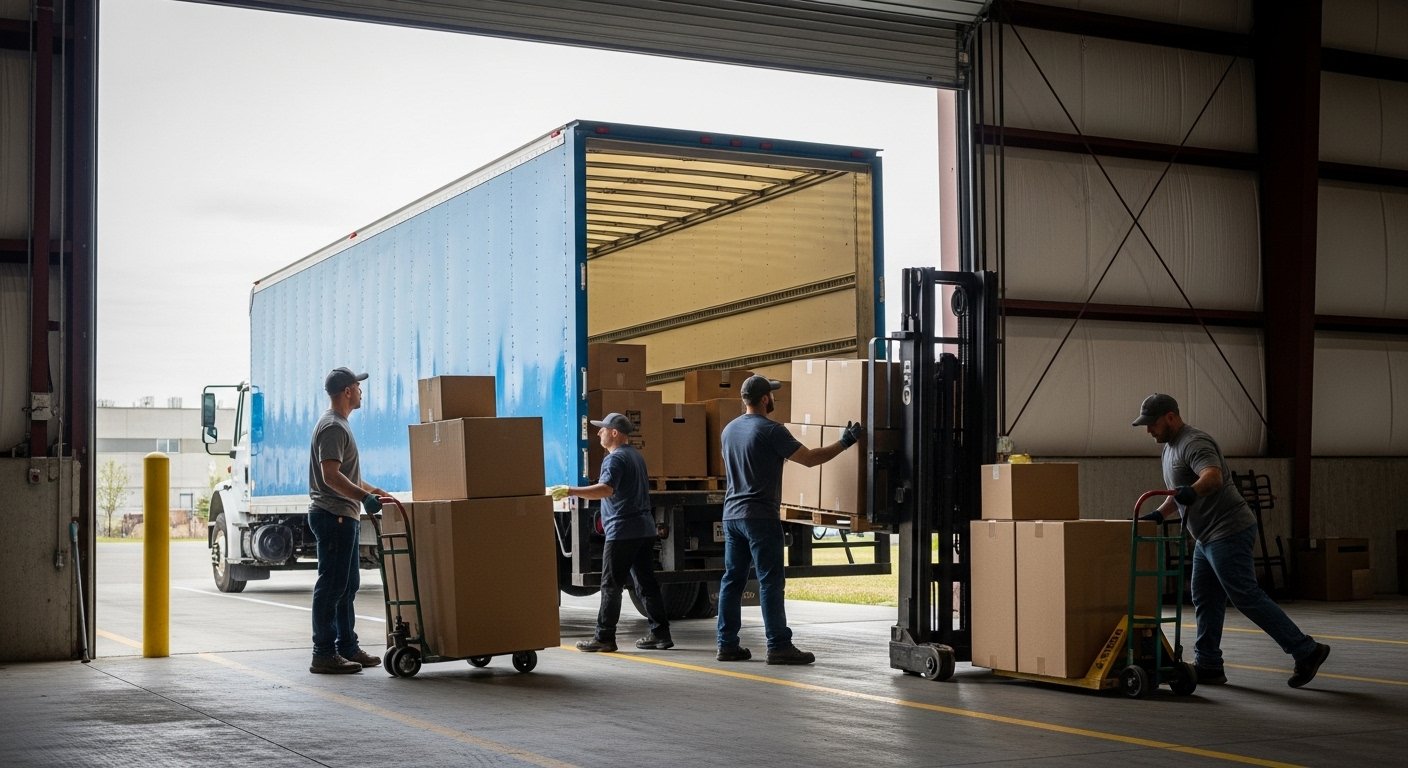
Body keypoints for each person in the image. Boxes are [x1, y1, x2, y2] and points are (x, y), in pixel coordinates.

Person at [1132, 393, 1330, 688]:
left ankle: (1306, 650)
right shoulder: (1170, 448)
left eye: (1153, 424)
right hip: (1206, 536)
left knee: (1245, 595)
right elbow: (1179, 494)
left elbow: (1212, 478)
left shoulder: (1194, 442)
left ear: (1171, 417)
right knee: (1205, 597)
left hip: (1229, 530)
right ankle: (1209, 664)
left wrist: (1192, 492)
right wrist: (1159, 516)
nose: (1149, 430)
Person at [716, 375, 862, 665]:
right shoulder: (772, 430)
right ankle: (779, 645)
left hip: (732, 514)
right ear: (765, 399)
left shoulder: (729, 430)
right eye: (771, 394)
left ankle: (727, 645)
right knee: (770, 581)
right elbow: (809, 458)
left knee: (732, 580)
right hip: (760, 516)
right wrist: (845, 442)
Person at [562, 412, 673, 653]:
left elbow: (605, 490)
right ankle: (660, 634)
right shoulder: (636, 456)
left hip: (623, 531)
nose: (599, 432)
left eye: (602, 429)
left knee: (611, 584)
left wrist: (571, 490)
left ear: (614, 432)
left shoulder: (614, 460)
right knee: (646, 583)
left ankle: (604, 637)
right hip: (644, 529)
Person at [307, 366, 388, 674]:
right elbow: (330, 476)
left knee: (348, 585)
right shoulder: (333, 427)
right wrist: (362, 498)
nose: (361, 391)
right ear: (348, 392)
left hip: (344, 516)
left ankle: (347, 647)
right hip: (334, 515)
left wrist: (372, 490)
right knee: (332, 586)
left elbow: (346, 474)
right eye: (358, 386)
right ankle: (324, 652)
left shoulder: (339, 424)